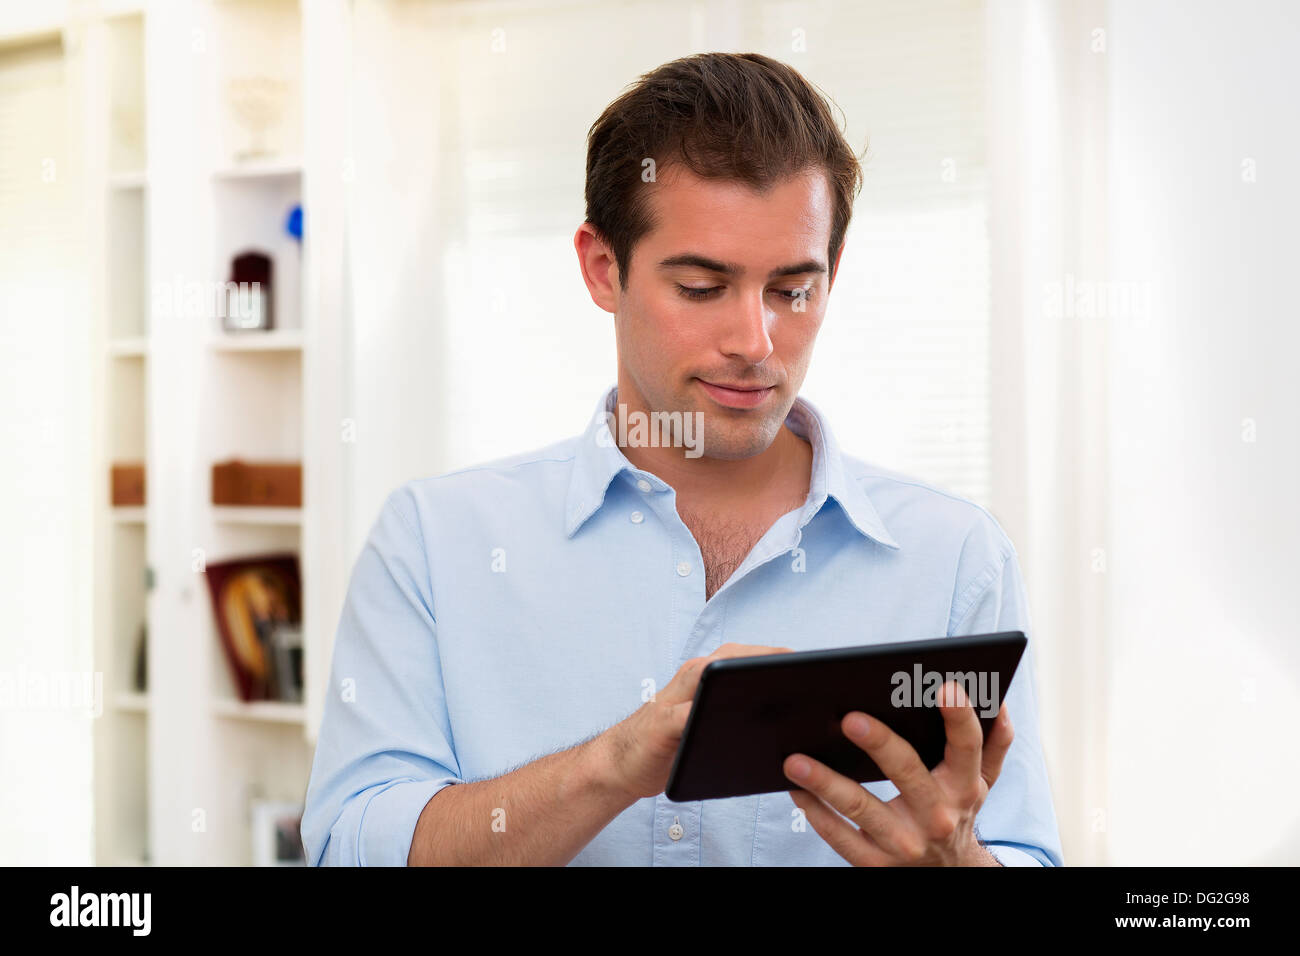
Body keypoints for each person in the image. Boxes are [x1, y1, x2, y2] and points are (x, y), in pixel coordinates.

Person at [301, 51, 1063, 867]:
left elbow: (1022, 849)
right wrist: (611, 767)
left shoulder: (954, 560)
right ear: (603, 268)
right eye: (702, 287)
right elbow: (351, 847)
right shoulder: (434, 541)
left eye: (792, 289)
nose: (753, 342)